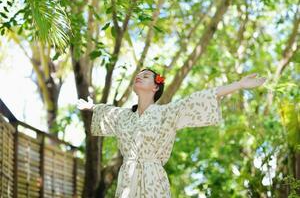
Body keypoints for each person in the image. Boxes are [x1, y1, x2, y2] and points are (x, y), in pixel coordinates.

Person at [77, 68, 266, 198]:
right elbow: (106, 111)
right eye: (139, 74)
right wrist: (91, 106)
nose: (140, 76)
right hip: (127, 176)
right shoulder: (123, 116)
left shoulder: (167, 112)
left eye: (146, 75)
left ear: (155, 87)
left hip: (153, 177)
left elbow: (200, 97)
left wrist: (239, 85)